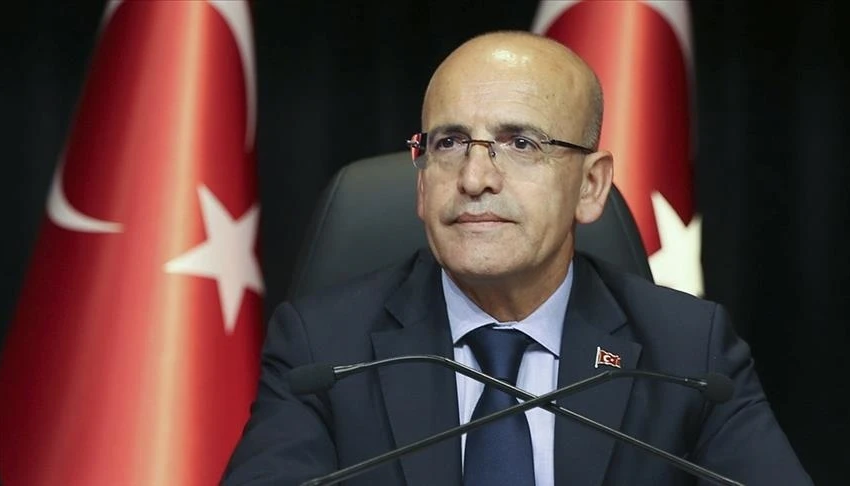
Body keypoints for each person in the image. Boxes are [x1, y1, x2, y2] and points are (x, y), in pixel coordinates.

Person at [222, 31, 812, 486]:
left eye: (521, 143)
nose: (474, 178)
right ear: (421, 183)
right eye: (449, 143)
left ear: (591, 186)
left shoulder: (687, 353)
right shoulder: (324, 350)